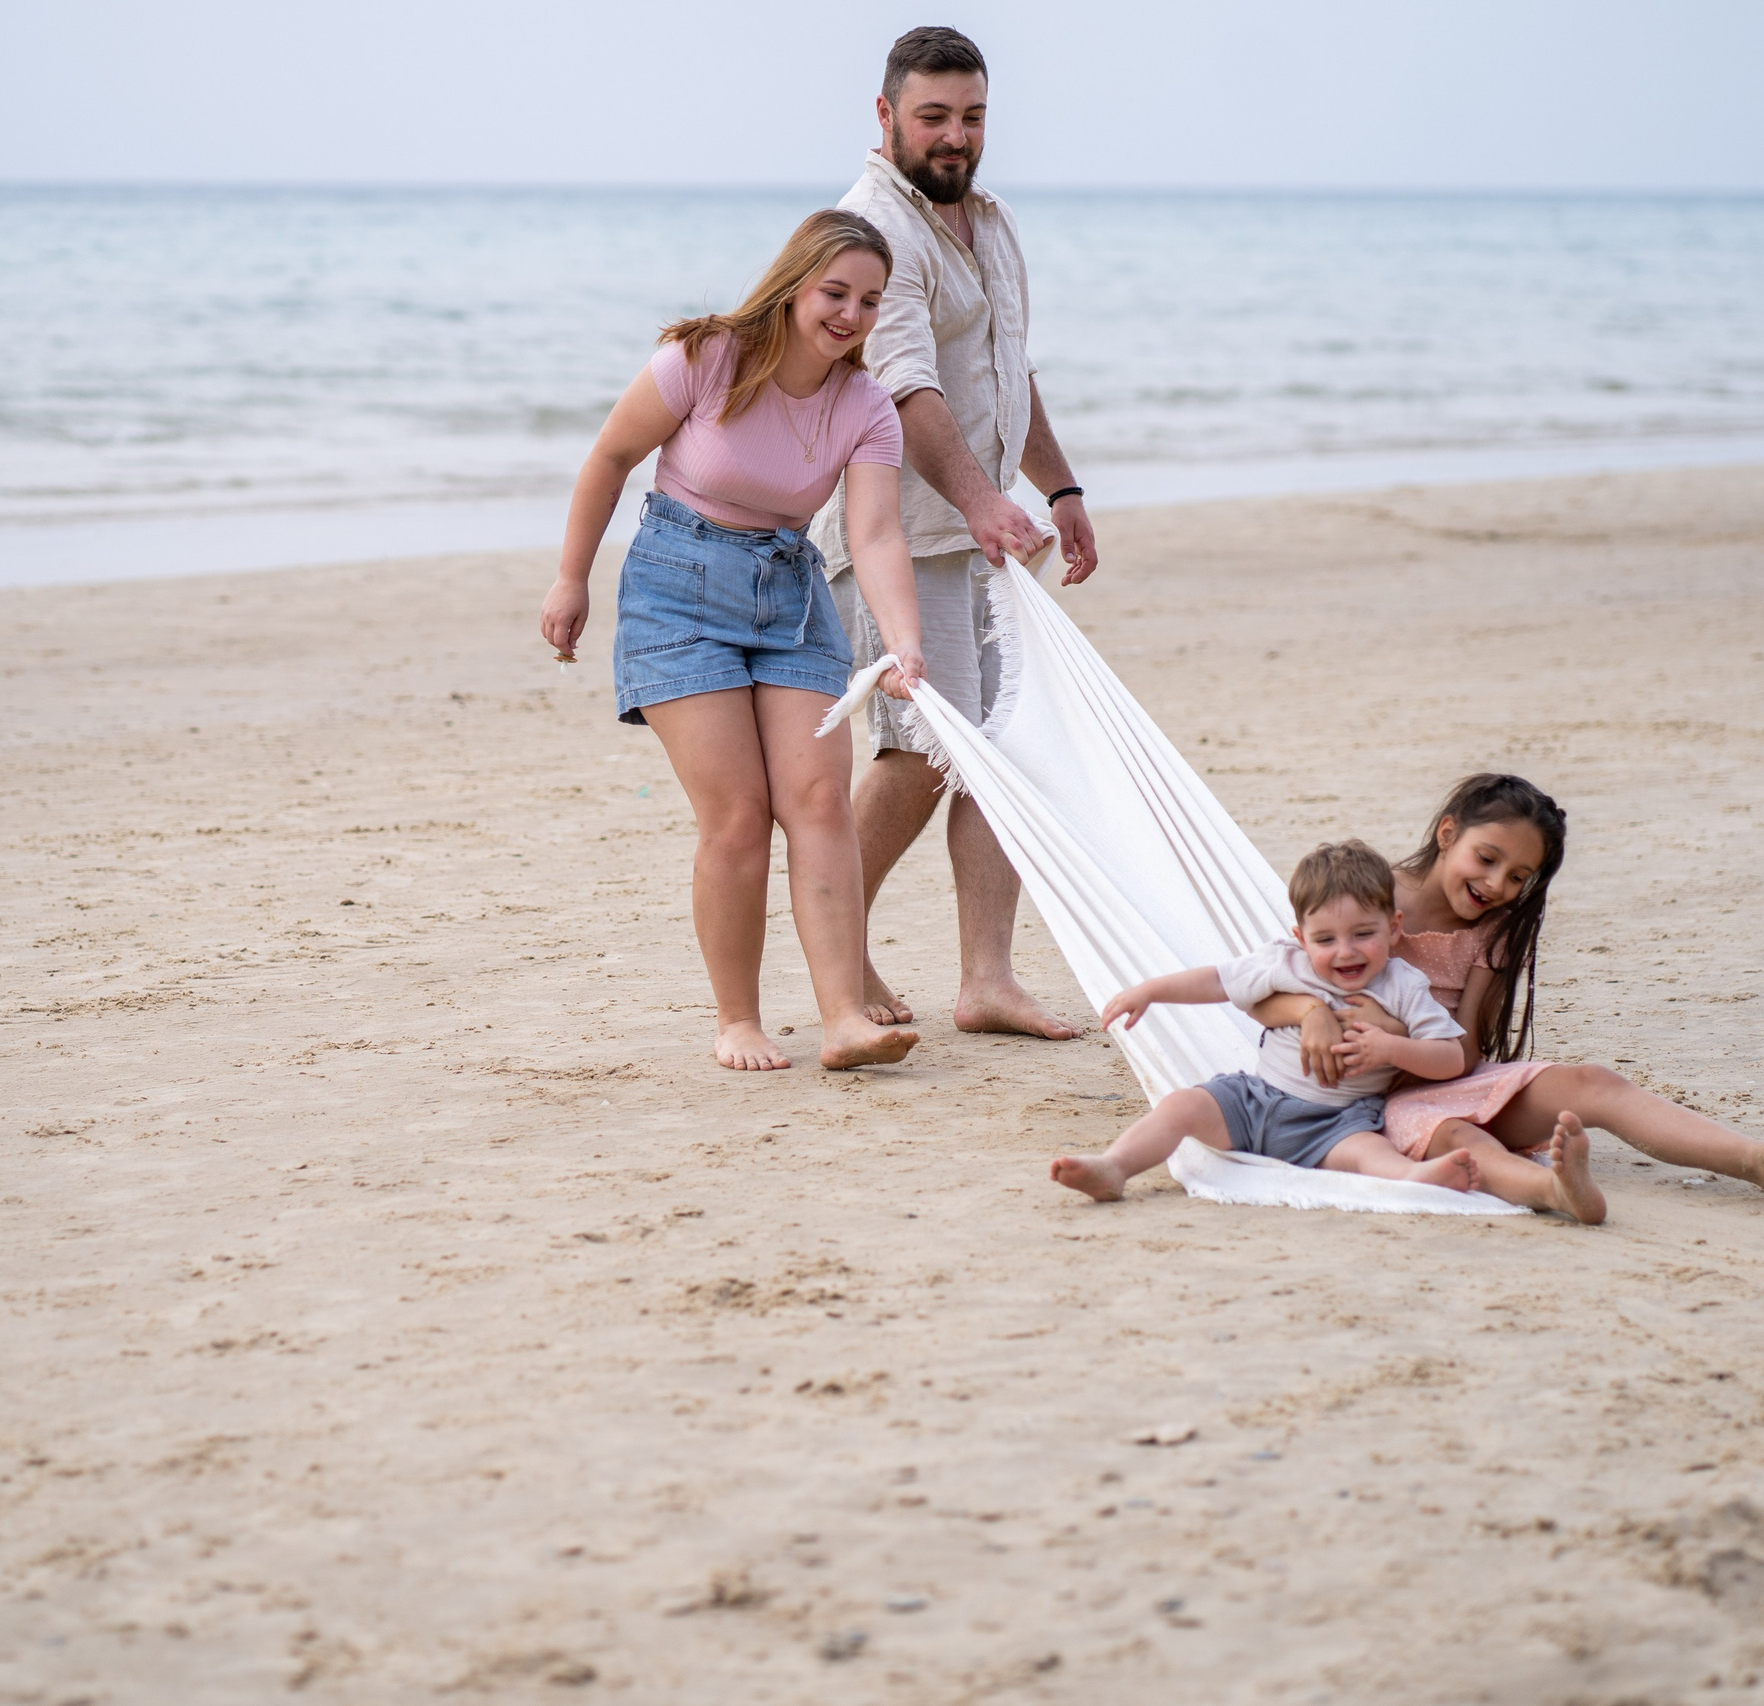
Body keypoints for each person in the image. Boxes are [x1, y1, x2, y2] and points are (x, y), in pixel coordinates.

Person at [539, 211, 929, 1074]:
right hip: (676, 590)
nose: (850, 316)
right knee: (739, 817)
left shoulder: (867, 406)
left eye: (869, 302)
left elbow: (872, 536)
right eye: (835, 293)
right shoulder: (706, 358)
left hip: (790, 598)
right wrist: (572, 578)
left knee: (820, 803)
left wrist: (903, 644)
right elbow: (610, 457)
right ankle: (738, 1020)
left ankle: (842, 1020)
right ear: (794, 285)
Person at [809, 25, 1099, 1042]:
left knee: (1004, 750)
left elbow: (1004, 366)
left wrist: (1056, 486)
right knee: (924, 751)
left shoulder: (991, 220)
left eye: (971, 117)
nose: (954, 136)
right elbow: (905, 386)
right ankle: (832, 945)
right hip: (899, 532)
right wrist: (983, 501)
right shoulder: (868, 228)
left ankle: (987, 979)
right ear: (884, 116)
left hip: (982, 533)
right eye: (932, 116)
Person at [1250, 773, 1764, 1201]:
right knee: (1460, 1140)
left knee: (1594, 1082)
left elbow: (1467, 1051)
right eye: (1487, 858)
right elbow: (1265, 990)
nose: (1496, 884)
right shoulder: (1371, 903)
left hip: (1436, 1079)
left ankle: (1757, 1163)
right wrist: (1309, 1013)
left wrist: (1396, 1036)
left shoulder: (1492, 933)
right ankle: (1554, 1190)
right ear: (1448, 834)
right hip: (1355, 1110)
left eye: (1518, 877)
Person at [1050, 842, 1611, 1217]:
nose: (1345, 952)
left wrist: (1392, 1046)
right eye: (1325, 940)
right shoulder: (1283, 963)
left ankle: (1421, 1181)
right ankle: (1114, 1167)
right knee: (1180, 1107)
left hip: (1339, 1124)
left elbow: (1448, 1056)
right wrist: (1150, 990)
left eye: (1364, 934)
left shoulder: (1403, 985)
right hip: (1257, 1102)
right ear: (1299, 935)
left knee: (1373, 1156)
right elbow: (1218, 980)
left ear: (1394, 929)